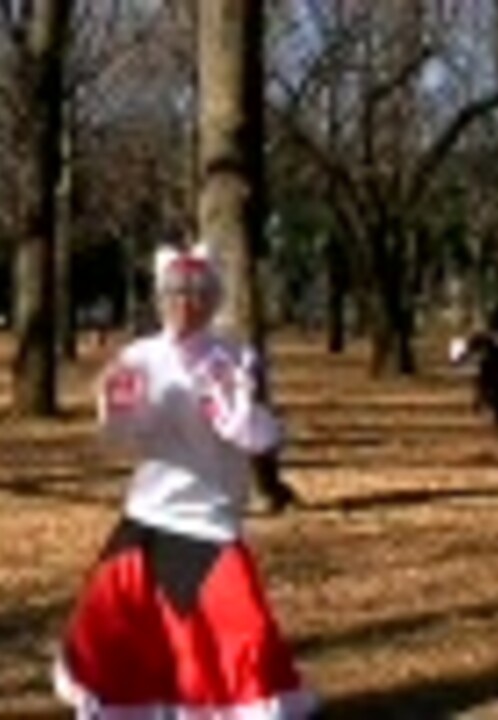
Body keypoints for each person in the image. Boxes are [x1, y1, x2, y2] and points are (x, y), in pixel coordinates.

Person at [52, 242, 317, 719]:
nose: (185, 303)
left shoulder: (234, 355)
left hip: (211, 517)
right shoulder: (140, 356)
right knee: (118, 635)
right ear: (160, 298)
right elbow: (122, 438)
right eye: (174, 292)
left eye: (197, 292)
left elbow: (263, 437)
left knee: (244, 633)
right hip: (148, 516)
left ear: (214, 299)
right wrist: (114, 406)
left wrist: (239, 415)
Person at [449, 306, 498, 431]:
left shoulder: (486, 337)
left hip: (493, 375)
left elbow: (469, 350)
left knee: (492, 390)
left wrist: (459, 360)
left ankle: (491, 409)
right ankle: (497, 414)